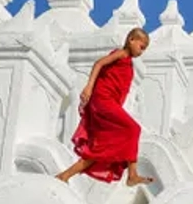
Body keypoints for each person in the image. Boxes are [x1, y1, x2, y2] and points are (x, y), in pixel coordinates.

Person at [55, 27, 156, 187]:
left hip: (110, 104)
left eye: (144, 49)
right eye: (141, 46)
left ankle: (64, 176)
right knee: (134, 129)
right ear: (131, 40)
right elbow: (99, 63)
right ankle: (132, 175)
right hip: (103, 100)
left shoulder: (129, 64)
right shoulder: (121, 54)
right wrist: (89, 87)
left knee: (100, 148)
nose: (141, 51)